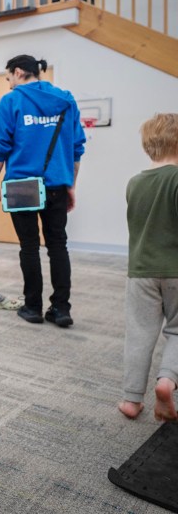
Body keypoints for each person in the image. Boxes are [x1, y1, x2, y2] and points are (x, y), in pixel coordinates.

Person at [0, 55, 86, 328]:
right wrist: (71, 185)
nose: (9, 85)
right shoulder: (65, 100)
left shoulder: (11, 101)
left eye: (8, 78)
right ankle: (61, 309)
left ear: (18, 72)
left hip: (21, 185)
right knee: (58, 246)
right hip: (57, 184)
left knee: (29, 247)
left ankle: (33, 308)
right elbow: (77, 147)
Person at [118, 113, 178, 422]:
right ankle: (166, 381)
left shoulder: (135, 182)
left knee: (139, 334)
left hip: (140, 271)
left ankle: (131, 400)